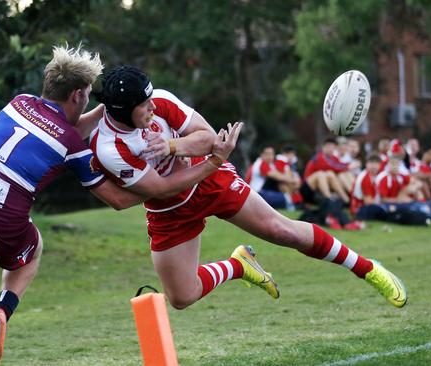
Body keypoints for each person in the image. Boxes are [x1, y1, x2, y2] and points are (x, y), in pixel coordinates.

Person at [0, 45, 233, 366]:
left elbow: (65, 123)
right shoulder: (70, 145)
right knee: (31, 251)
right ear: (77, 95)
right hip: (6, 225)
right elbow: (117, 200)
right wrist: (195, 168)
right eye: (88, 94)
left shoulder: (17, 103)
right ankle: (2, 311)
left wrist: (114, 106)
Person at [91, 65, 407, 313]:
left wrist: (174, 145)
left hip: (209, 181)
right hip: (170, 206)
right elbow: (160, 189)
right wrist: (213, 162)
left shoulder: (159, 101)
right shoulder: (110, 147)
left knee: (282, 231)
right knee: (182, 297)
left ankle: (368, 269)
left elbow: (207, 136)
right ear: (121, 110)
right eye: (143, 106)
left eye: (150, 101)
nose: (151, 108)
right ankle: (239, 265)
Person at [302, 137, 353, 204]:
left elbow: (340, 165)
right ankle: (330, 199)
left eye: (332, 147)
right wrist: (349, 166)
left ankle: (349, 198)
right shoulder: (319, 157)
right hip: (308, 187)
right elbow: (334, 167)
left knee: (338, 173)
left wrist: (348, 166)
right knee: (322, 174)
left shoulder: (333, 157)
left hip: (319, 188)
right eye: (328, 147)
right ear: (323, 147)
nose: (330, 149)